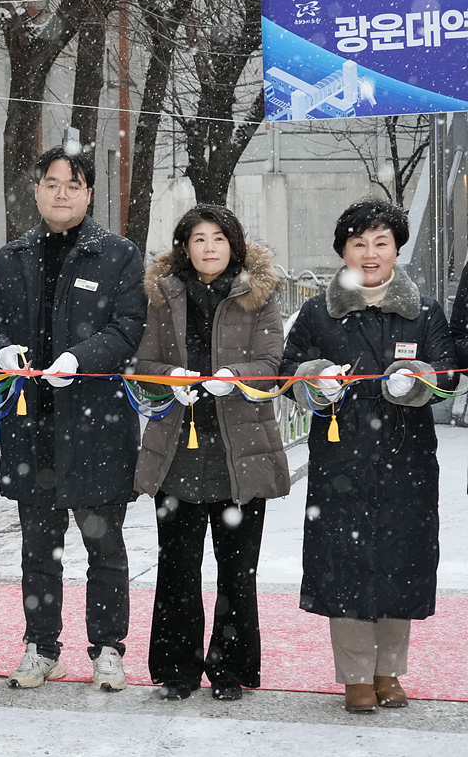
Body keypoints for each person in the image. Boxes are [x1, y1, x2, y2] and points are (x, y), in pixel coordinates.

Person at [0, 145, 146, 691]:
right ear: (36, 190)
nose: (61, 193)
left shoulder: (118, 255)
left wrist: (80, 359)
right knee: (38, 549)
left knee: (104, 545)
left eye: (73, 184)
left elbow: (127, 329)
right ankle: (41, 646)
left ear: (89, 193)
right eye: (51, 183)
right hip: (32, 427)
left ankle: (108, 648)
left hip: (97, 425)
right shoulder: (13, 257)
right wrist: (2, 351)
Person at [281, 198, 454, 713]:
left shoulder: (423, 311)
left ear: (396, 248)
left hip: (408, 460)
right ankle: (356, 674)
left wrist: (421, 378)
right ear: (343, 251)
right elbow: (287, 371)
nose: (371, 252)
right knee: (346, 562)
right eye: (359, 243)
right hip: (342, 459)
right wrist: (314, 381)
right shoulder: (318, 312)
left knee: (401, 560)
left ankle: (389, 671)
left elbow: (448, 373)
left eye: (381, 242)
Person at [134, 205, 290, 702]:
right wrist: (169, 378)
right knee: (177, 567)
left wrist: (236, 377)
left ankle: (230, 668)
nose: (208, 247)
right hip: (179, 448)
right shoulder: (162, 295)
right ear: (184, 247)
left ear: (234, 244)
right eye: (197, 238)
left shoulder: (257, 295)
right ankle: (178, 669)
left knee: (236, 571)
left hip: (238, 451)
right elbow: (143, 360)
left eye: (218, 238)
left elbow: (272, 361)